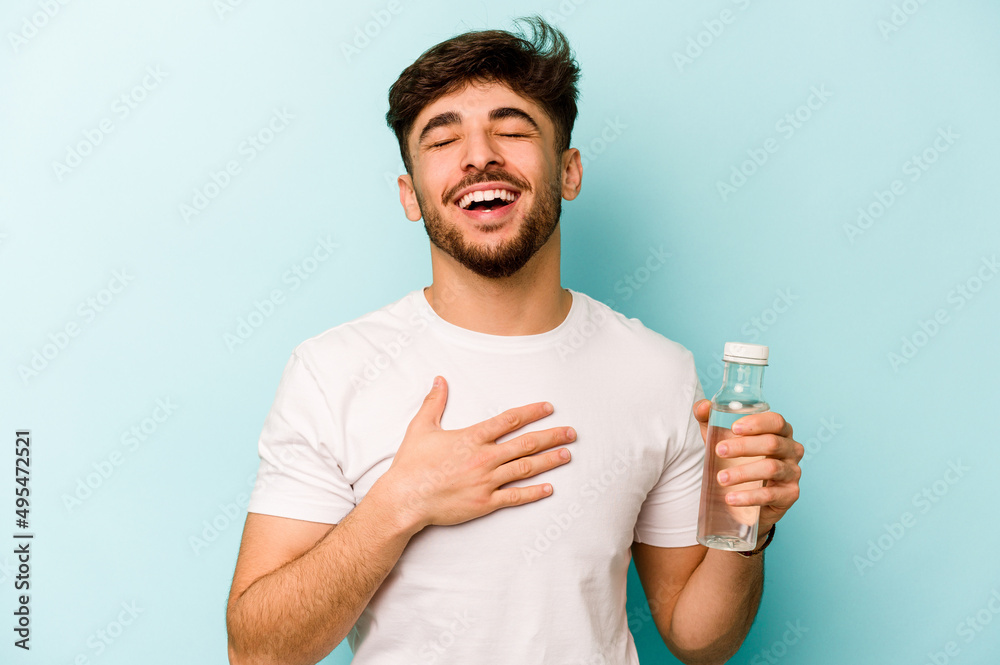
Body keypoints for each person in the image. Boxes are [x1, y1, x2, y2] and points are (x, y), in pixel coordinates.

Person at [226, 15, 803, 665]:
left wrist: (746, 527)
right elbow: (258, 652)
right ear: (410, 195)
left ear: (570, 171)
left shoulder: (659, 372)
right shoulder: (330, 371)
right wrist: (399, 503)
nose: (479, 156)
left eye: (512, 129)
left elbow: (700, 638)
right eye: (443, 140)